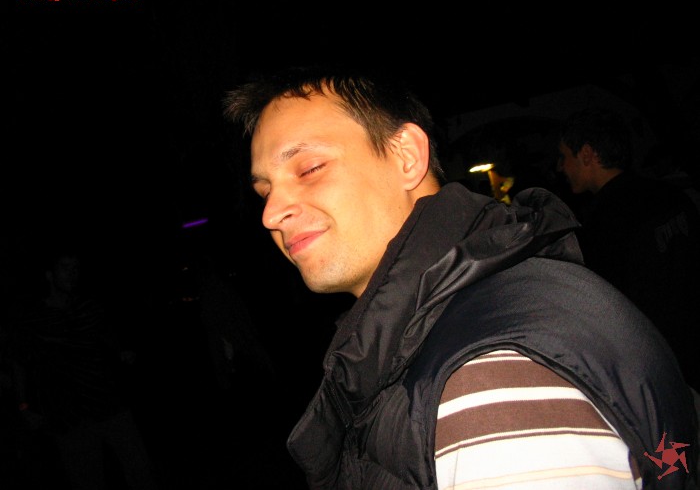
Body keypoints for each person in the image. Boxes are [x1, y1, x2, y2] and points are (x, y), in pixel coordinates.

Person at [223, 65, 698, 490]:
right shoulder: (448, 322)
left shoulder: (489, 383)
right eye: (265, 191)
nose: (271, 214)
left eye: (309, 168)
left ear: (407, 156)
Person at [557, 107, 700, 393]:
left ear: (587, 154)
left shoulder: (602, 223)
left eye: (564, 157)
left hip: (664, 369)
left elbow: (610, 313)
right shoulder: (673, 196)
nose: (561, 168)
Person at [4, 247, 160, 490]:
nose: (72, 273)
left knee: (141, 472)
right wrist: (23, 406)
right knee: (88, 482)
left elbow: (105, 331)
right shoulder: (33, 318)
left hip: (108, 403)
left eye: (76, 268)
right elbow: (18, 362)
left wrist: (120, 349)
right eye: (65, 268)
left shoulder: (88, 306)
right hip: (68, 416)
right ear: (49, 275)